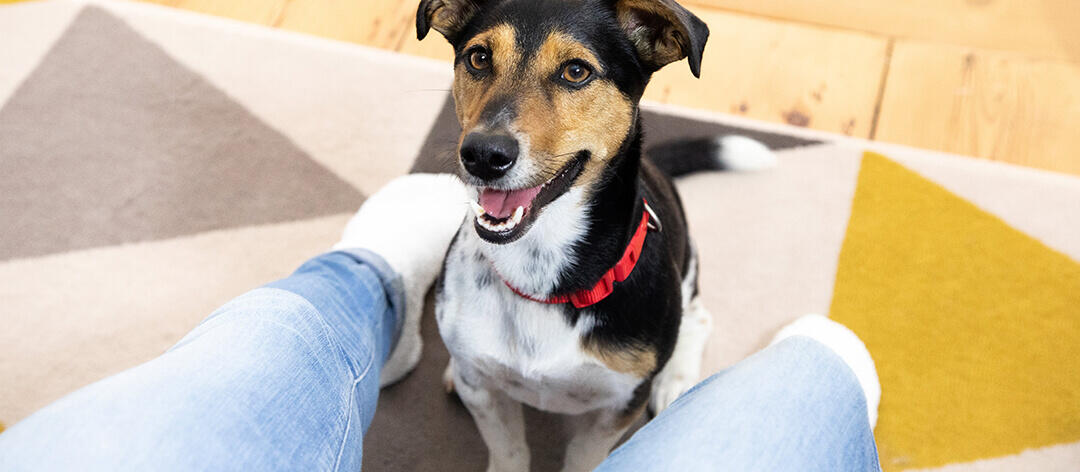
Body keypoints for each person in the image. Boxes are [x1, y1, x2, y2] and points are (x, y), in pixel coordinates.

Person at [0, 174, 882, 471]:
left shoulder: (641, 297)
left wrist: (581, 453)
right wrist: (509, 460)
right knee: (810, 384)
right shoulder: (472, 281)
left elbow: (610, 407)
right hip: (482, 309)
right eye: (480, 62)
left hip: (627, 304)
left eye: (572, 76)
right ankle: (820, 369)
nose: (493, 129)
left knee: (240, 372)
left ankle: (367, 284)